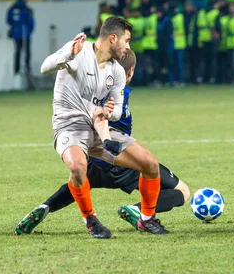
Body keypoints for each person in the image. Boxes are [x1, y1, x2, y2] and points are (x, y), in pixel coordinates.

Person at [16, 50, 190, 235]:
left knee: (79, 179)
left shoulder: (96, 87)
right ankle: (140, 210)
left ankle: (46, 206)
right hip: (120, 161)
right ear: (130, 72)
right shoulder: (117, 93)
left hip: (96, 162)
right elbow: (102, 117)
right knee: (182, 190)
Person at [39, 17, 167, 237]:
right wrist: (68, 53)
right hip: (69, 127)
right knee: (78, 167)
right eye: (126, 40)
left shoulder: (116, 71)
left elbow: (116, 109)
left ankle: (147, 219)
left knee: (150, 165)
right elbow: (45, 67)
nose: (128, 46)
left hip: (99, 129)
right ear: (113, 38)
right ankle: (91, 220)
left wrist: (107, 111)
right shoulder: (78, 50)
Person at [7, 0, 34, 75]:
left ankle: (16, 70)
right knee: (27, 51)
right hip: (25, 33)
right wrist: (29, 31)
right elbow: (30, 22)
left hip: (15, 33)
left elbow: (8, 20)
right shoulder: (26, 9)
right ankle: (27, 68)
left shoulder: (12, 8)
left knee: (17, 52)